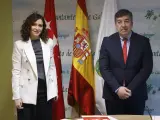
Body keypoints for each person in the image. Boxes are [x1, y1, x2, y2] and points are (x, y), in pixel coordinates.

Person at [99, 9, 153, 115]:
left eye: (126, 21)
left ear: (132, 23)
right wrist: (117, 88)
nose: (123, 25)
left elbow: (146, 68)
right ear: (115, 24)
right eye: (119, 22)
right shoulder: (107, 41)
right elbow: (103, 68)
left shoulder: (143, 42)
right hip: (113, 95)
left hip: (136, 95)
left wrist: (129, 90)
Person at [12, 12, 58, 120]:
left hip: (45, 94)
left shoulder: (49, 43)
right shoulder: (19, 45)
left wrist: (54, 90)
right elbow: (16, 72)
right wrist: (17, 97)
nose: (37, 28)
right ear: (28, 26)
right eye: (34, 25)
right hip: (26, 95)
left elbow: (52, 68)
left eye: (40, 25)